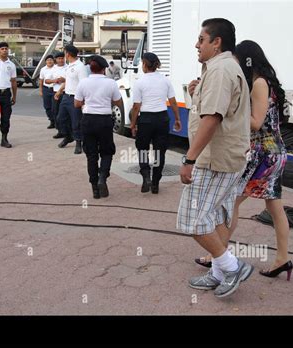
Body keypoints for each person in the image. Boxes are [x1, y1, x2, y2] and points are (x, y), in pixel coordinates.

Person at [194, 40, 293, 280]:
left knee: (231, 202)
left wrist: (230, 110)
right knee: (274, 207)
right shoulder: (265, 82)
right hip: (274, 152)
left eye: (238, 59)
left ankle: (218, 256)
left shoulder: (259, 83)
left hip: (262, 154)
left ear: (248, 59)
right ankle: (283, 259)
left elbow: (256, 122)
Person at [176, 18, 253, 298]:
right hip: (225, 158)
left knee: (194, 221)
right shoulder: (222, 68)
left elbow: (212, 119)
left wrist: (189, 159)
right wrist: (196, 93)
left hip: (214, 160)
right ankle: (220, 272)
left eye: (201, 39)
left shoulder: (221, 70)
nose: (196, 45)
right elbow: (213, 111)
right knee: (215, 218)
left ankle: (232, 267)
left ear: (216, 42)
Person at [130, 52, 181, 194]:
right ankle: (155, 183)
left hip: (145, 120)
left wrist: (133, 124)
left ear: (145, 64)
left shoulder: (140, 82)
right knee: (160, 152)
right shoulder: (165, 80)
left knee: (142, 149)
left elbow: (136, 107)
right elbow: (173, 102)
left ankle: (146, 175)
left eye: (142, 63)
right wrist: (177, 119)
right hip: (162, 119)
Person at [74, 55, 122, 199]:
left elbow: (76, 103)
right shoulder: (111, 83)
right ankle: (102, 177)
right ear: (104, 69)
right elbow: (118, 101)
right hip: (105, 121)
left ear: (90, 68)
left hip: (88, 120)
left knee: (91, 155)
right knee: (107, 152)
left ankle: (95, 188)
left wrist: (87, 103)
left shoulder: (83, 83)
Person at [55, 45, 88, 154]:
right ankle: (68, 136)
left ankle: (79, 142)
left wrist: (83, 100)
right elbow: (67, 81)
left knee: (76, 122)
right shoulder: (69, 66)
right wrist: (60, 91)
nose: (64, 55)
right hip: (66, 96)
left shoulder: (80, 66)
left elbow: (84, 84)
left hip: (75, 98)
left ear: (68, 54)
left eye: (64, 52)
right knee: (60, 119)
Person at [48, 52, 67, 139]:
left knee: (65, 114)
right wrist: (54, 81)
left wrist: (64, 79)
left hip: (66, 93)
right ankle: (60, 131)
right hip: (55, 93)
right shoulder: (53, 68)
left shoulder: (68, 67)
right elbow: (46, 81)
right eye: (59, 58)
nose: (61, 60)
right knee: (55, 112)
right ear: (56, 60)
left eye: (62, 58)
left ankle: (67, 131)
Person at [39, 55, 56, 129]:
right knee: (47, 107)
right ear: (45, 61)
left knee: (54, 107)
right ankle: (52, 121)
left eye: (51, 60)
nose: (49, 61)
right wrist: (41, 90)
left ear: (53, 61)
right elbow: (41, 80)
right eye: (48, 60)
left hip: (54, 89)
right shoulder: (43, 69)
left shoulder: (56, 68)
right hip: (46, 89)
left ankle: (56, 122)